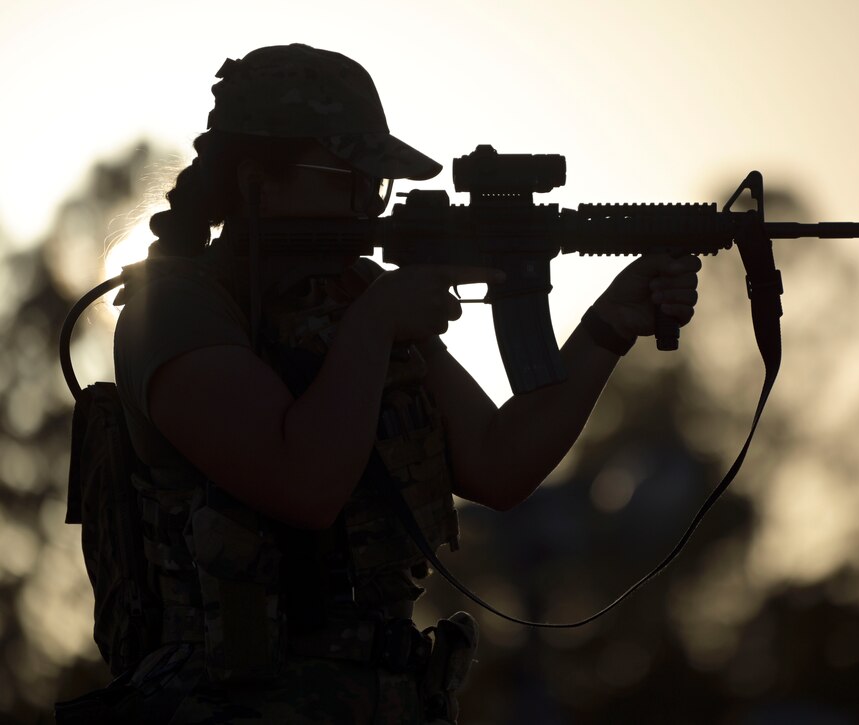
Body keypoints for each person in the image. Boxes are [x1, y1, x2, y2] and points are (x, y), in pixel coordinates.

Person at [70, 43, 701, 723]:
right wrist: (375, 322)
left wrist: (610, 325)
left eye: (377, 183)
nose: (370, 205)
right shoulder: (176, 312)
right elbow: (305, 482)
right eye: (347, 177)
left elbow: (498, 461)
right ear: (258, 181)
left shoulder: (352, 295)